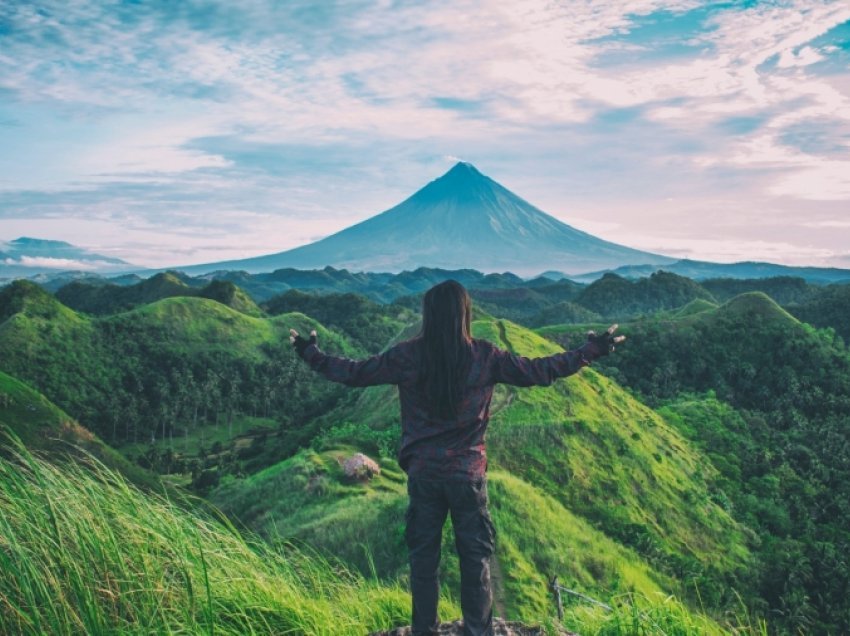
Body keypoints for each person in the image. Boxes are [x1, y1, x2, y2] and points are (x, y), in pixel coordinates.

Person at [290, 279, 623, 636]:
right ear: (465, 314)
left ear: (428, 315)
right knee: (475, 558)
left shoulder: (407, 356)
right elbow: (540, 370)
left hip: (424, 475)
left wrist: (310, 353)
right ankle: (479, 631)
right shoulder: (485, 356)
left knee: (423, 560)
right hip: (467, 476)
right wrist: (590, 351)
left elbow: (353, 373)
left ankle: (424, 631)